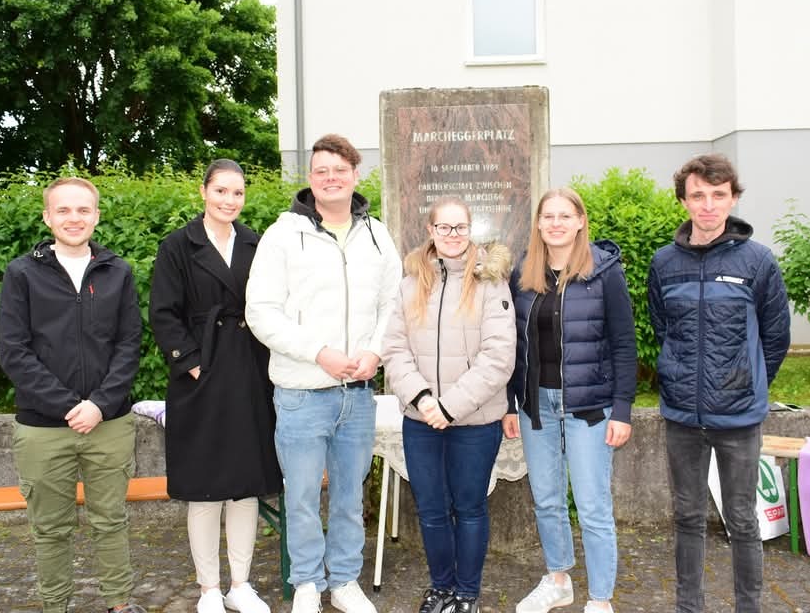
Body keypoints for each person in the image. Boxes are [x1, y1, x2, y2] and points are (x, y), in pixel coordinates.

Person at [244, 134, 402, 613]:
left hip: (358, 393)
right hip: (301, 392)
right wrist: (319, 353)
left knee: (351, 496)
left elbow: (393, 304)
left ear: (355, 175)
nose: (330, 178)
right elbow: (260, 311)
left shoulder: (377, 235)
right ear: (310, 178)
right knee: (302, 496)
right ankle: (308, 583)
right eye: (321, 171)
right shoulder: (282, 235)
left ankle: (345, 580)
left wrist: (375, 352)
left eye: (339, 170)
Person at [647, 153, 790, 613]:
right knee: (687, 517)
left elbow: (775, 337)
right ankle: (688, 605)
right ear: (684, 202)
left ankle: (748, 606)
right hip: (682, 418)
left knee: (742, 519)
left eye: (718, 195)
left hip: (739, 418)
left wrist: (745, 381)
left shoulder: (758, 261)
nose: (708, 205)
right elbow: (663, 328)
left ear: (732, 199)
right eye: (698, 196)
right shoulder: (664, 263)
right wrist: (679, 376)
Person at [0, 177, 145, 613]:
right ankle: (55, 605)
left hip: (109, 423)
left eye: (83, 210)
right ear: (48, 217)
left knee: (111, 521)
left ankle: (119, 604)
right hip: (43, 428)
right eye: (63, 210)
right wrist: (67, 406)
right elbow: (14, 351)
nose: (73, 218)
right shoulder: (22, 273)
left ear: (96, 216)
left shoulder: (118, 272)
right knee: (50, 529)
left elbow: (128, 344)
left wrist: (99, 405)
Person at [149, 159, 281, 613]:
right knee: (204, 486)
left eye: (237, 193)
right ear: (203, 191)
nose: (229, 200)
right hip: (201, 375)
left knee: (245, 483)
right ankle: (209, 589)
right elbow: (163, 313)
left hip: (249, 372)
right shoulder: (178, 245)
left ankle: (240, 584)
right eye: (221, 191)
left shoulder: (256, 243)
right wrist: (191, 364)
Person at [504, 188, 637, 613]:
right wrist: (510, 403)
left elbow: (624, 344)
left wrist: (622, 410)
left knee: (592, 504)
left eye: (565, 216)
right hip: (536, 405)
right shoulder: (524, 271)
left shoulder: (604, 273)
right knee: (546, 498)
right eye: (549, 216)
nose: (556, 223)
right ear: (539, 224)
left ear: (581, 222)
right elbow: (512, 343)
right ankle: (558, 579)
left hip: (590, 407)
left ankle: (600, 598)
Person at [382, 198, 516, 613]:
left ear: (470, 230)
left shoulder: (491, 282)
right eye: (445, 227)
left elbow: (499, 356)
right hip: (420, 419)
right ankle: (441, 587)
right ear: (431, 230)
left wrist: (450, 407)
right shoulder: (410, 284)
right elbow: (394, 348)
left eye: (460, 228)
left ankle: (466, 593)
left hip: (475, 421)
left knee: (470, 507)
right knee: (431, 509)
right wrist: (423, 399)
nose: (453, 235)